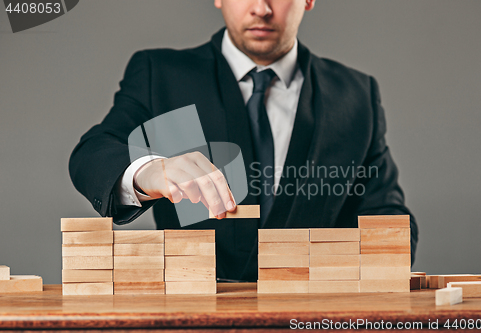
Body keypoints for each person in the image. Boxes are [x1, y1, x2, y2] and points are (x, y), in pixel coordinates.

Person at [69, 0, 418, 282]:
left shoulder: (355, 95)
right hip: (194, 318)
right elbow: (92, 154)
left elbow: (388, 217)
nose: (261, 8)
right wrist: (149, 172)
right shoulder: (159, 74)